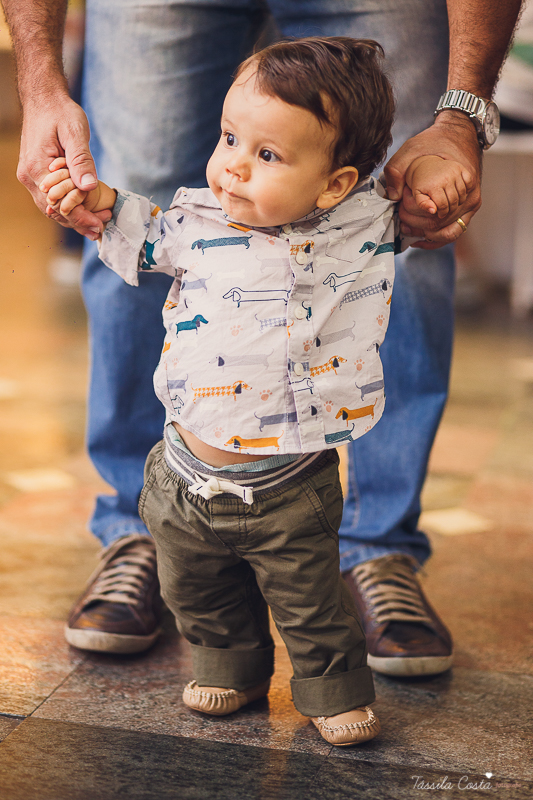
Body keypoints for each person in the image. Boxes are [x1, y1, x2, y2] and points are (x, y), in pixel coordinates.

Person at [3, 0, 521, 672]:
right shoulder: (191, 221)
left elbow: (409, 200)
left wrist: (458, 117)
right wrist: (45, 92)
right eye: (228, 142)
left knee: (413, 214)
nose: (232, 170)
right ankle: (143, 530)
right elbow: (141, 228)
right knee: (142, 175)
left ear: (337, 185)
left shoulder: (359, 212)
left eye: (263, 153)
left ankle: (377, 547)